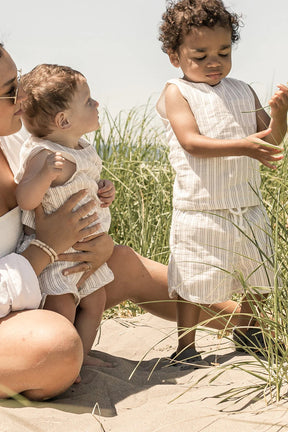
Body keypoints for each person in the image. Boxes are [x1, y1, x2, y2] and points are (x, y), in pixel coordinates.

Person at [0, 42, 245, 401]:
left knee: (123, 264)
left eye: (18, 83)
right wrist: (45, 249)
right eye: (10, 91)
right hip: (27, 286)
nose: (22, 99)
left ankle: (247, 322)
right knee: (54, 346)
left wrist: (100, 244)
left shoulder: (16, 136)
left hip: (36, 279)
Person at [156, 0, 288, 367]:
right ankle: (185, 346)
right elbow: (191, 142)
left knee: (257, 273)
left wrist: (280, 117)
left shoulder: (242, 90)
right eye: (200, 55)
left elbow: (269, 141)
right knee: (191, 277)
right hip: (201, 208)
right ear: (174, 56)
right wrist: (244, 146)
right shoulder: (177, 91)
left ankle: (248, 331)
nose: (214, 61)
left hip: (247, 204)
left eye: (223, 51)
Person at [15, 64, 115, 368]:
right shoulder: (45, 155)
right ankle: (65, 363)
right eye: (88, 100)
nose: (96, 104)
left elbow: (82, 188)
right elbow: (26, 198)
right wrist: (44, 175)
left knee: (95, 302)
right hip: (57, 257)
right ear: (63, 120)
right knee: (63, 307)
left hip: (83, 251)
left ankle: (81, 357)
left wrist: (101, 192)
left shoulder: (82, 149)